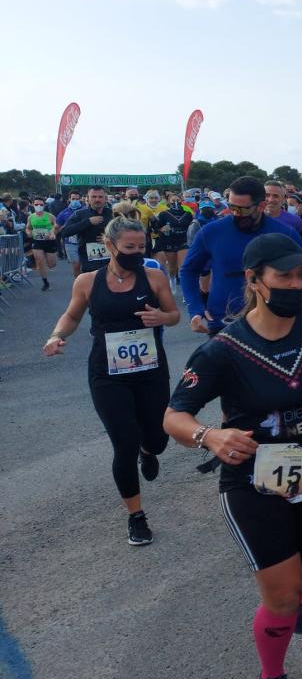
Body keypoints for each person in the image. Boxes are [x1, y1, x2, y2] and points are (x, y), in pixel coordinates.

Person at [164, 233, 302, 679]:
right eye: (285, 276)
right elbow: (174, 416)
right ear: (254, 281)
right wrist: (209, 435)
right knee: (279, 597)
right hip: (252, 484)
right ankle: (272, 677)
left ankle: (296, 601)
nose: (298, 284)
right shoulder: (222, 349)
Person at [42, 217, 180, 545]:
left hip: (150, 370)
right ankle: (136, 516)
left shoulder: (154, 277)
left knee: (157, 439)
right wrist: (57, 335)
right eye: (129, 247)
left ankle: (149, 449)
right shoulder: (88, 281)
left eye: (141, 247)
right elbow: (72, 315)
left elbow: (174, 315)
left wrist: (163, 318)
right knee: (124, 443)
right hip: (107, 373)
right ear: (109, 246)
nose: (136, 252)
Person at [180, 176, 302, 335]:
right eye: (232, 207)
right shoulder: (211, 232)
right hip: (223, 322)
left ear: (261, 206)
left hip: (274, 321)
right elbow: (188, 270)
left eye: (243, 209)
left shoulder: (285, 233)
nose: (236, 214)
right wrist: (195, 308)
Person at [61, 186, 112, 274]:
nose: (97, 199)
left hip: (111, 259)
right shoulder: (80, 214)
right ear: (88, 199)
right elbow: (65, 232)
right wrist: (88, 222)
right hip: (89, 261)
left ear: (105, 199)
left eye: (100, 197)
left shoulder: (113, 213)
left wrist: (111, 238)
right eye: (94, 197)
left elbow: (126, 233)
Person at [152, 192, 193, 287]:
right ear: (168, 202)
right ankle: (173, 281)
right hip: (169, 243)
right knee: (172, 268)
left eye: (178, 200)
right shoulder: (163, 214)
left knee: (183, 267)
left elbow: (192, 227)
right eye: (173, 201)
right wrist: (161, 229)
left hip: (183, 242)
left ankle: (185, 291)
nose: (176, 202)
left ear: (181, 201)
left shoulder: (187, 214)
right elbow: (156, 228)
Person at [26, 198, 58, 290]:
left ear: (44, 205)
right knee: (39, 261)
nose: (38, 206)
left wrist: (52, 233)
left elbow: (57, 226)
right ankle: (45, 282)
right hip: (37, 241)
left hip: (49, 242)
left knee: (52, 264)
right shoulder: (31, 217)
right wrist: (28, 232)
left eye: (40, 204)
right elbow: (28, 227)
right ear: (33, 205)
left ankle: (50, 263)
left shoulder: (50, 216)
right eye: (36, 205)